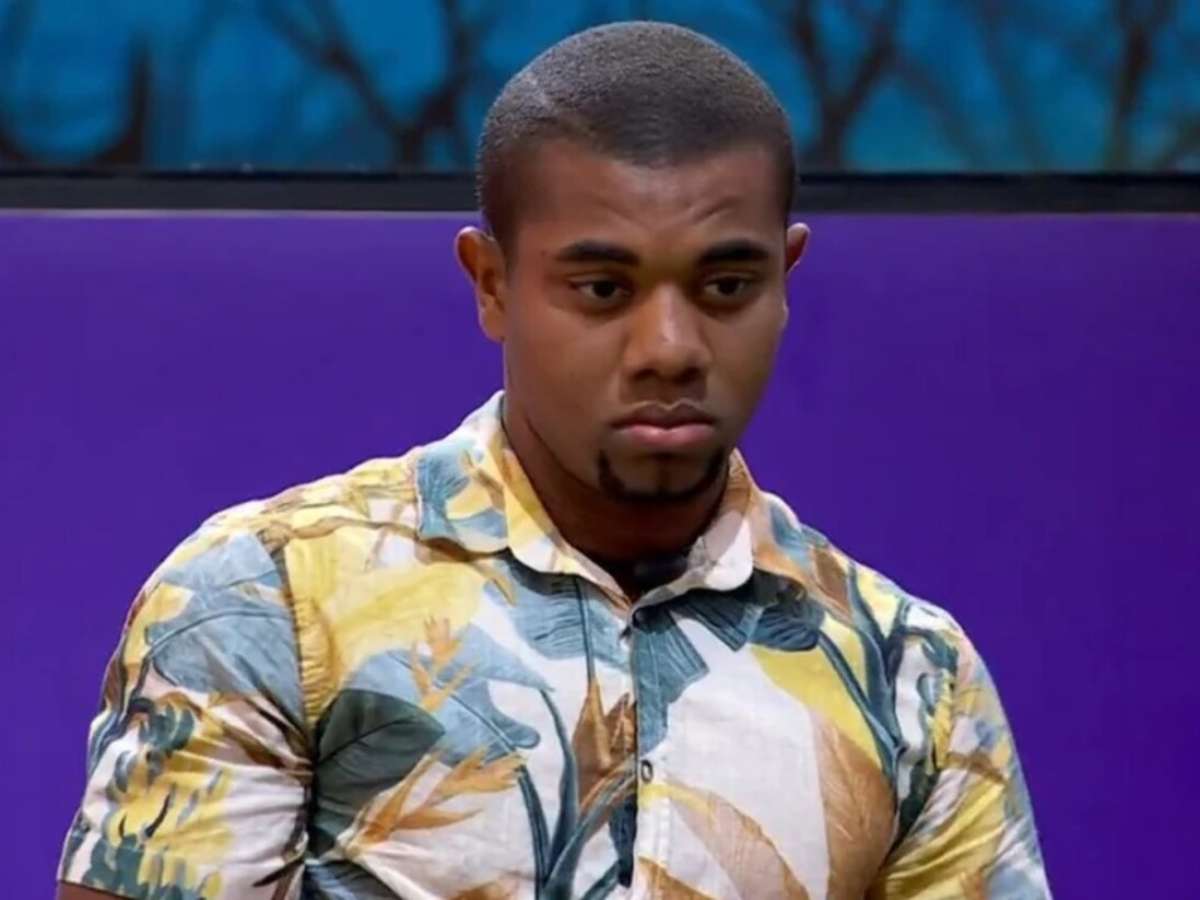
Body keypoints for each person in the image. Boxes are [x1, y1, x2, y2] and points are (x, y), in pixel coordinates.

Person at [58, 21, 1049, 900]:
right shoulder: (267, 601)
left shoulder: (911, 675)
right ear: (491, 284)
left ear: (786, 279)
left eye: (726, 286)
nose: (671, 348)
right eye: (604, 289)